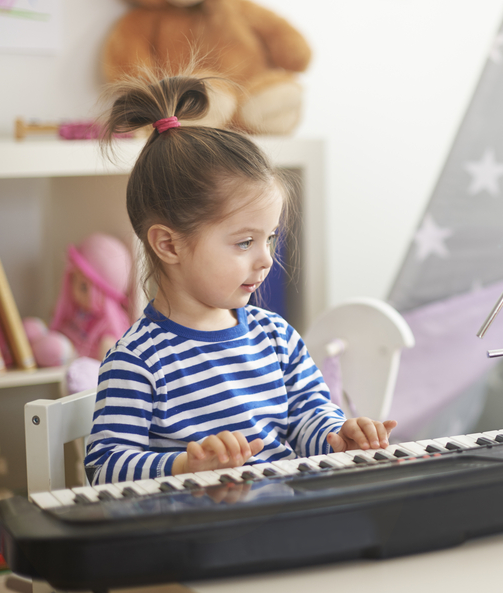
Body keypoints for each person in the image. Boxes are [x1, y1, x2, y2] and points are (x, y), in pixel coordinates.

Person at [85, 73, 395, 484]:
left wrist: (339, 435)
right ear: (169, 245)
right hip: (196, 536)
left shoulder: (277, 338)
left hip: (281, 516)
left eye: (270, 239)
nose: (266, 259)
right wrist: (185, 466)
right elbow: (104, 467)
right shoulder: (138, 361)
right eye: (245, 242)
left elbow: (310, 419)